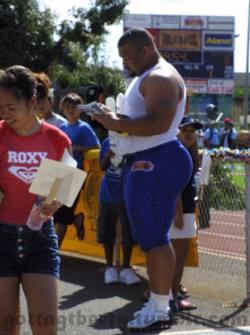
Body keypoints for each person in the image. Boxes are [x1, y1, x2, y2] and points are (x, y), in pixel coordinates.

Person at [92, 28, 193, 329]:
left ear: (145, 50)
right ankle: (159, 302)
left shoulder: (159, 76)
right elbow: (146, 122)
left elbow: (159, 123)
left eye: (128, 56)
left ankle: (161, 305)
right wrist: (115, 119)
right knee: (151, 237)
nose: (125, 63)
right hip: (152, 158)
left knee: (152, 238)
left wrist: (113, 123)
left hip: (157, 158)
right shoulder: (149, 76)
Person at [0, 65, 72, 335]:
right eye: (0, 108)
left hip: (40, 239)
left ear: (32, 102)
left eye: (11, 107)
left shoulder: (58, 139)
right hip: (1, 237)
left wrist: (56, 204)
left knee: (46, 330)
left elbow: (61, 195)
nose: (4, 114)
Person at [54, 93, 100, 248]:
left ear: (80, 110)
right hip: (59, 173)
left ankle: (55, 253)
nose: (70, 109)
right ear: (63, 110)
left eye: (73, 107)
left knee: (61, 216)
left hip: (74, 175)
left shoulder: (84, 127)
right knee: (53, 212)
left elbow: (97, 147)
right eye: (67, 107)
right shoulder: (62, 127)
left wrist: (74, 148)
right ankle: (76, 219)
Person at [97, 136, 141, 285]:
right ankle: (110, 268)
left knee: (128, 231)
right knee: (106, 230)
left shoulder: (134, 142)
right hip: (107, 193)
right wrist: (109, 155)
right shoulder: (106, 142)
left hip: (126, 193)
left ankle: (126, 269)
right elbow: (102, 167)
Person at [169, 117, 202, 312]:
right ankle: (173, 297)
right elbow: (175, 185)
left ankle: (161, 293)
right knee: (177, 258)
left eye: (194, 130)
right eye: (185, 130)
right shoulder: (177, 152)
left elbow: (196, 165)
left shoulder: (183, 150)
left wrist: (192, 140)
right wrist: (179, 212)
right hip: (181, 210)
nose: (190, 133)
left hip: (183, 208)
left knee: (174, 256)